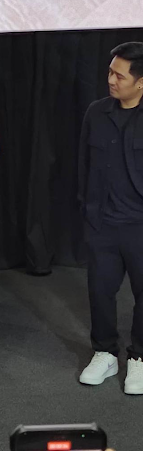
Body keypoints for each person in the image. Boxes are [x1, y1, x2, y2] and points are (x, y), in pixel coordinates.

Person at [78, 42, 143, 394]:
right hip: (102, 222)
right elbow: (83, 166)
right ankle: (105, 353)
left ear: (140, 82)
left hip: (140, 225)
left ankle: (140, 358)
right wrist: (88, 211)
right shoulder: (96, 112)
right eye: (110, 72)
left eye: (120, 76)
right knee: (100, 291)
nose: (111, 80)